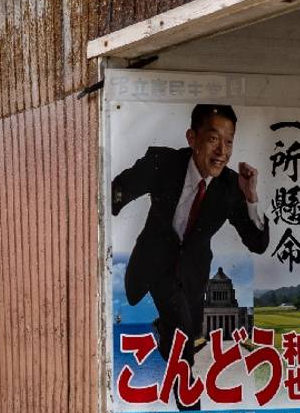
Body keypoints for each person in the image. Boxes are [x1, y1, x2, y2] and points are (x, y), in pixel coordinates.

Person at [111, 103, 270, 353]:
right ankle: (171, 335)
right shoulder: (162, 163)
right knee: (182, 338)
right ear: (192, 138)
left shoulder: (230, 185)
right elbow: (115, 193)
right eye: (213, 139)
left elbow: (257, 244)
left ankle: (165, 333)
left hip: (193, 275)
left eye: (229, 142)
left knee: (190, 344)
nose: (222, 152)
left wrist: (251, 197)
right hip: (155, 263)